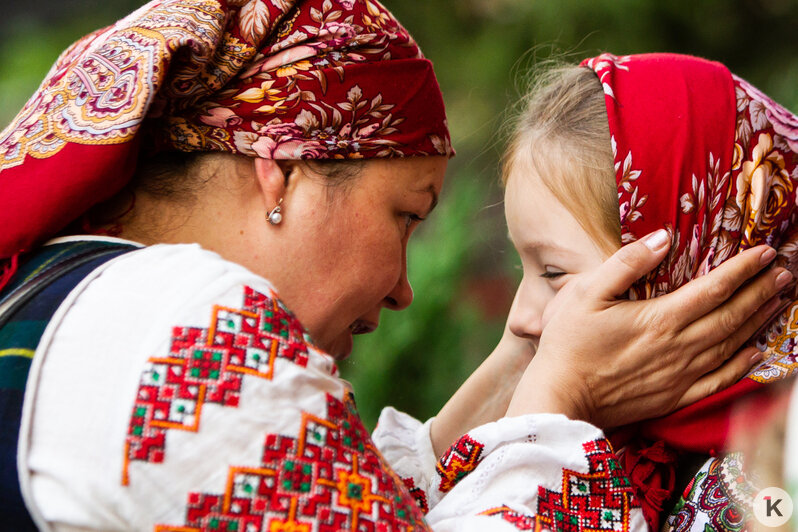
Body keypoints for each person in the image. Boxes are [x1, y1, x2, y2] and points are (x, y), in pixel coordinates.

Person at [0, 1, 789, 529]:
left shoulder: (71, 299)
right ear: (285, 170)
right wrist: (561, 394)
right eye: (404, 215)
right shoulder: (185, 325)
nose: (407, 288)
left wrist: (524, 367)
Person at [503, 52, 798, 530]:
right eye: (523, 266)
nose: (518, 319)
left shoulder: (772, 477)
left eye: (553, 272)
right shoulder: (612, 437)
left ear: (695, 260)